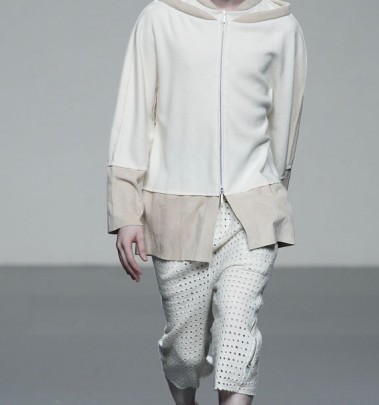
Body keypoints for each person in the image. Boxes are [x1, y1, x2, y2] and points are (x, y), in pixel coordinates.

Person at [106, 0, 307, 403]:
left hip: (251, 206)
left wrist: (273, 192)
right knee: (185, 352)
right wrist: (126, 208)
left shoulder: (281, 27)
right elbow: (134, 115)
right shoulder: (161, 18)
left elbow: (285, 118)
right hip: (176, 211)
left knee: (237, 334)